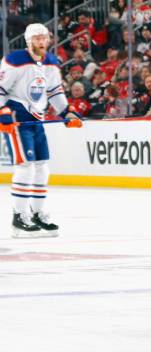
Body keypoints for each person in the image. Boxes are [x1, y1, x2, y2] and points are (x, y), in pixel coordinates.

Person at [0, 23, 82, 238]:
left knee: (41, 167)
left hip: (37, 119)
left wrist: (67, 112)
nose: (41, 41)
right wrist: (3, 111)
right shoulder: (15, 60)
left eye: (44, 37)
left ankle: (37, 213)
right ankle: (19, 217)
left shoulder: (52, 62)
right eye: (36, 38)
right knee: (25, 167)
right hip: (18, 119)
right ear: (28, 41)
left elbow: (55, 91)